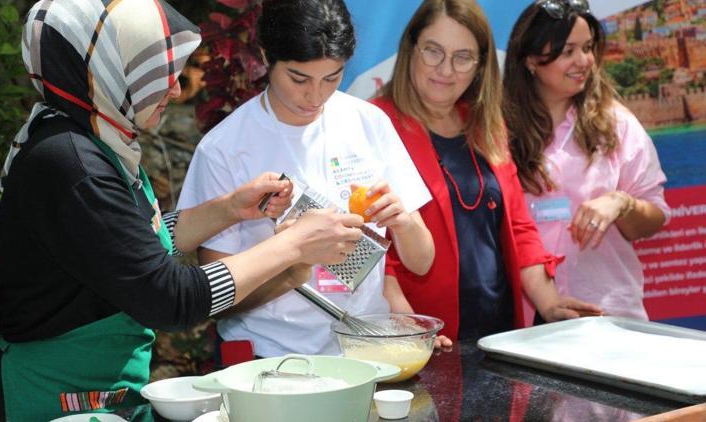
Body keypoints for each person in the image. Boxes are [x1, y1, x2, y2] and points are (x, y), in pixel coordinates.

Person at [0, 1, 365, 420]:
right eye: (158, 75)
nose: (175, 90)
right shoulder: (74, 163)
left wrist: (229, 210)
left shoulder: (91, 139)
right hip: (45, 397)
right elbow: (169, 298)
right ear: (110, 70)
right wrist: (294, 247)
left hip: (91, 393)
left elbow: (128, 250)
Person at [177, 0, 435, 358]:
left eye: (332, 77)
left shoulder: (367, 122)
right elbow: (216, 299)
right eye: (299, 79)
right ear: (267, 56)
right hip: (271, 358)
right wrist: (292, 260)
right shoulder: (225, 147)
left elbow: (422, 261)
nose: (316, 96)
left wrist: (404, 225)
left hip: (366, 351)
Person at [370, 0, 601, 342]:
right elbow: (367, 242)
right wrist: (402, 319)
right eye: (433, 51)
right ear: (411, 50)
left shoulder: (486, 124)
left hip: (500, 334)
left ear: (480, 66)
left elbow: (519, 227)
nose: (446, 70)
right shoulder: (373, 123)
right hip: (421, 336)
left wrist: (550, 305)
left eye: (462, 57)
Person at [502, 0, 670, 320]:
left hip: (606, 315)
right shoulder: (495, 131)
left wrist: (622, 203)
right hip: (520, 322)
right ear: (530, 60)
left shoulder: (616, 124)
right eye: (568, 51)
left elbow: (655, 216)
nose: (584, 61)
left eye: (588, 48)